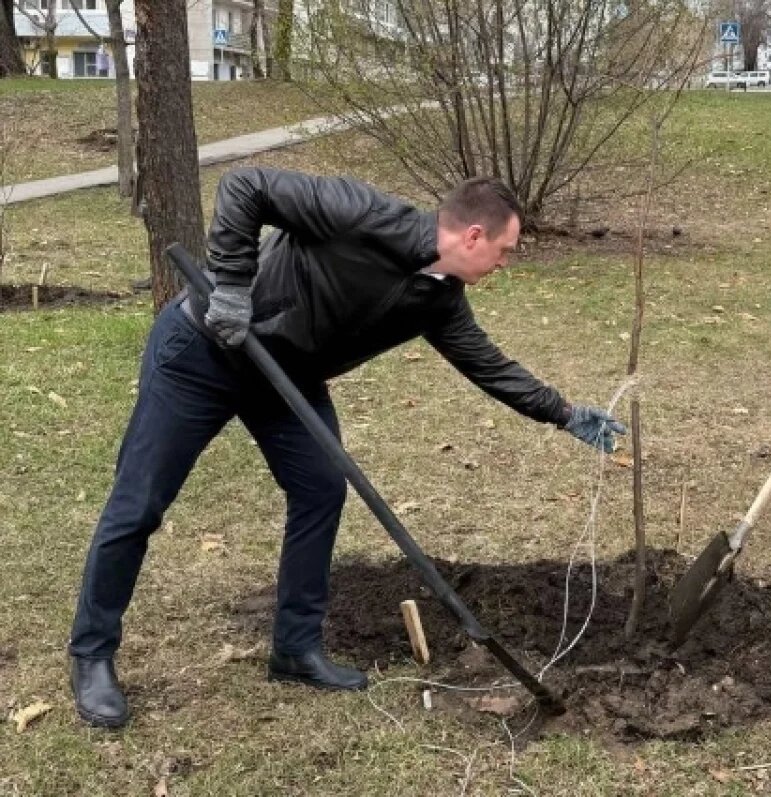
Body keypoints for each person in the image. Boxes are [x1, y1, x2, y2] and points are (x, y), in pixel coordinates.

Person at [68, 167, 627, 728]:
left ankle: (295, 647)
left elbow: (489, 366)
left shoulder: (440, 302)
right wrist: (234, 288)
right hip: (203, 352)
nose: (505, 263)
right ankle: (92, 654)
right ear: (474, 236)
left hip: (285, 377)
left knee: (320, 489)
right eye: (504, 250)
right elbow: (247, 187)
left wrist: (565, 414)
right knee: (139, 503)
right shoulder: (363, 214)